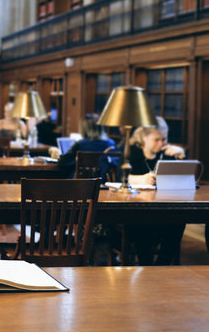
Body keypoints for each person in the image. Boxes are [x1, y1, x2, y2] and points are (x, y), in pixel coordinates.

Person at [124, 125, 185, 265]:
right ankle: (145, 265)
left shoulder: (167, 154)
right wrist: (140, 178)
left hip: (162, 207)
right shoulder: (132, 153)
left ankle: (162, 264)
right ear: (144, 138)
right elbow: (118, 180)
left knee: (179, 220)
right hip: (136, 208)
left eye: (164, 139)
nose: (161, 143)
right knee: (140, 221)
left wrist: (180, 155)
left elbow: (178, 180)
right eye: (156, 139)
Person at [57, 113, 117, 179]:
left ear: (84, 129)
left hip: (82, 183)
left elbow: (62, 162)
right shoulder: (111, 143)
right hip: (105, 182)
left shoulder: (81, 144)